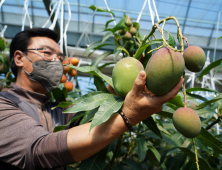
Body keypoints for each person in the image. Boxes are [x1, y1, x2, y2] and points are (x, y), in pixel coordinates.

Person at [0, 28, 184, 170]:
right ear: (19, 58)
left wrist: (120, 91)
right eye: (47, 53)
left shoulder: (57, 109)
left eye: (60, 57)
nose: (56, 61)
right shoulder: (3, 105)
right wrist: (131, 114)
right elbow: (40, 150)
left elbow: (90, 120)